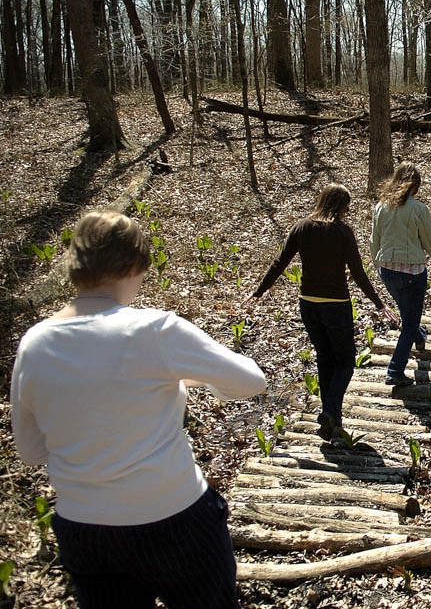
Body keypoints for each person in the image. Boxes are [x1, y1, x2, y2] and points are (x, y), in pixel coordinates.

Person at [11, 210, 267, 609]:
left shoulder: (34, 342)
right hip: (173, 519)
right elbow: (251, 380)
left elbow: (30, 450)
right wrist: (184, 380)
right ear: (132, 264)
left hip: (84, 529)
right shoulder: (154, 330)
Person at [248, 183, 396, 441]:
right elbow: (358, 274)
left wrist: (259, 291)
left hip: (308, 305)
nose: (348, 211)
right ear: (341, 207)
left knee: (325, 357)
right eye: (347, 207)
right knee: (346, 360)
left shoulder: (302, 227)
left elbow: (279, 262)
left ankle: (332, 419)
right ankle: (330, 410)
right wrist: (379, 303)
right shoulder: (342, 233)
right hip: (335, 305)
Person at [370, 162, 431, 387]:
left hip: (388, 270)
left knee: (409, 314)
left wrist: (378, 265)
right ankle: (395, 370)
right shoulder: (419, 209)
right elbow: (428, 240)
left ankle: (420, 338)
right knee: (410, 322)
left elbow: (374, 240)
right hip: (412, 271)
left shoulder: (381, 206)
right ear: (416, 184)